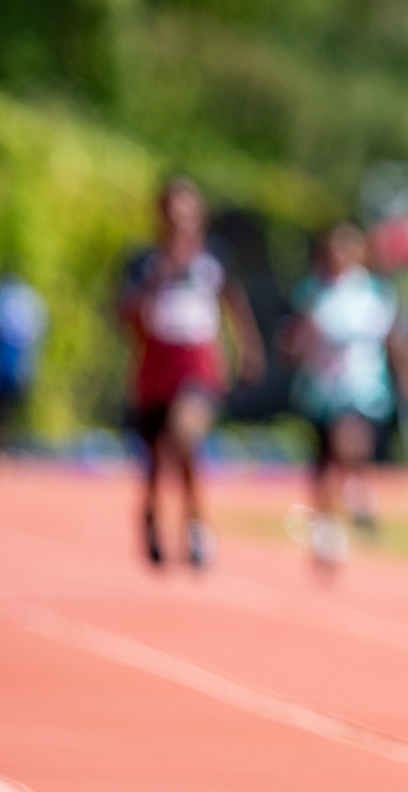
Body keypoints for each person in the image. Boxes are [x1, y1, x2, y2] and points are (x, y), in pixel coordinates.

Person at [119, 178, 265, 568]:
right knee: (153, 456)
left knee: (186, 436)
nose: (179, 217)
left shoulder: (213, 258)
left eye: (187, 209)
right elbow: (125, 315)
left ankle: (196, 522)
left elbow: (233, 301)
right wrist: (155, 281)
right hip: (155, 363)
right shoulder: (143, 261)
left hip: (198, 363)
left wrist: (248, 347)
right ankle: (151, 514)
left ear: (198, 213)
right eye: (171, 209)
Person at [282, 222, 408, 567]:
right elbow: (292, 338)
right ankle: (327, 529)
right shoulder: (312, 293)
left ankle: (358, 490)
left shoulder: (375, 293)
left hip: (364, 387)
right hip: (320, 390)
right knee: (323, 463)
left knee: (349, 441)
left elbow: (396, 338)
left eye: (348, 249)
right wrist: (293, 346)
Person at [0, 274, 47, 451]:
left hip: (5, 361)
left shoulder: (4, 296)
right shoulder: (32, 299)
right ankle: (7, 441)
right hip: (22, 363)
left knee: (3, 405)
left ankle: (5, 442)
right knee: (9, 407)